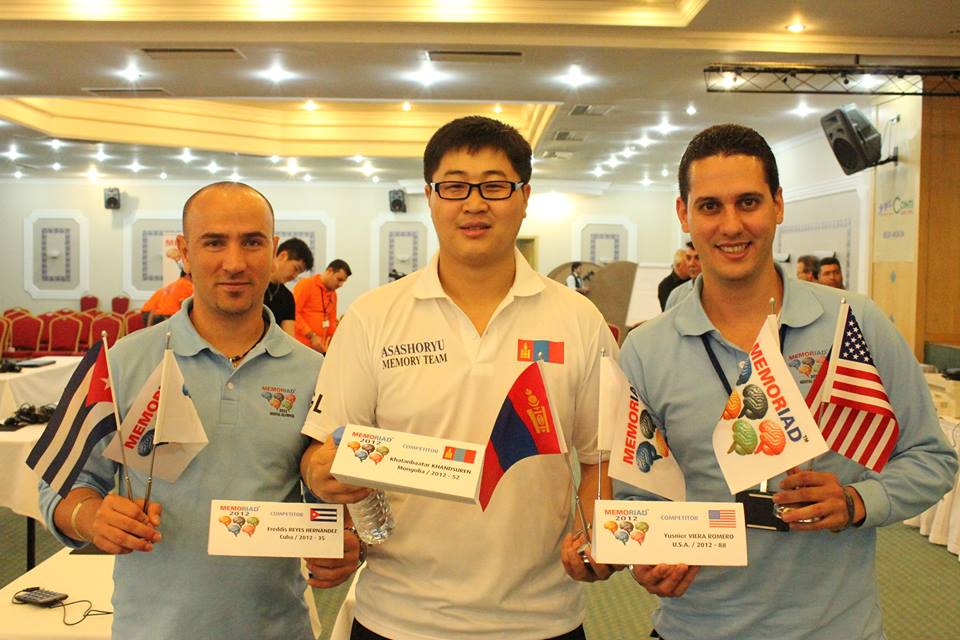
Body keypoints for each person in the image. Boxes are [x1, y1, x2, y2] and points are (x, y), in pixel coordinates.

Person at [615, 124, 957, 640]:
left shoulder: (854, 323)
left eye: (748, 202)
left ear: (778, 204)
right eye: (710, 207)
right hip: (695, 629)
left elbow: (931, 457)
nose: (732, 225)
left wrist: (857, 501)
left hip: (837, 629)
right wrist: (646, 553)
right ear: (684, 214)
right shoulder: (645, 349)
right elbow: (636, 494)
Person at [301, 115, 618, 640]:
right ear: (430, 197)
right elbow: (322, 452)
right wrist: (323, 473)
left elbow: (600, 460)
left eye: (494, 186)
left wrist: (594, 536)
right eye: (454, 186)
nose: (474, 204)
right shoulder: (373, 318)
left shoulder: (579, 320)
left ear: (525, 196)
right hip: (397, 616)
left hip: (542, 618)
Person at [38, 182, 360, 640]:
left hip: (277, 628)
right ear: (185, 252)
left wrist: (344, 543)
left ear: (273, 250)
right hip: (152, 630)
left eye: (252, 242)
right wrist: (90, 518)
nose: (235, 262)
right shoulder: (121, 363)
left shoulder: (317, 372)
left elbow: (330, 492)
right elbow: (59, 484)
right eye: (214, 243)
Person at [294, 258, 352, 353]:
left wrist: (336, 341)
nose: (340, 285)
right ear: (329, 271)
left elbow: (331, 321)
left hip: (320, 349)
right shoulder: (306, 284)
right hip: (300, 347)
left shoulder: (333, 295)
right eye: (339, 279)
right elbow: (294, 313)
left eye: (343, 282)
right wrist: (311, 335)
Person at [264, 237, 314, 337]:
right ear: (282, 256)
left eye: (299, 273)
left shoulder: (288, 297)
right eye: (296, 268)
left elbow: (289, 336)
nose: (294, 276)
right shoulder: (252, 285)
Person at [662, 243, 701, 310]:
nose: (691, 264)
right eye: (688, 258)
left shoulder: (718, 293)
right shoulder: (676, 295)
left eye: (697, 258)